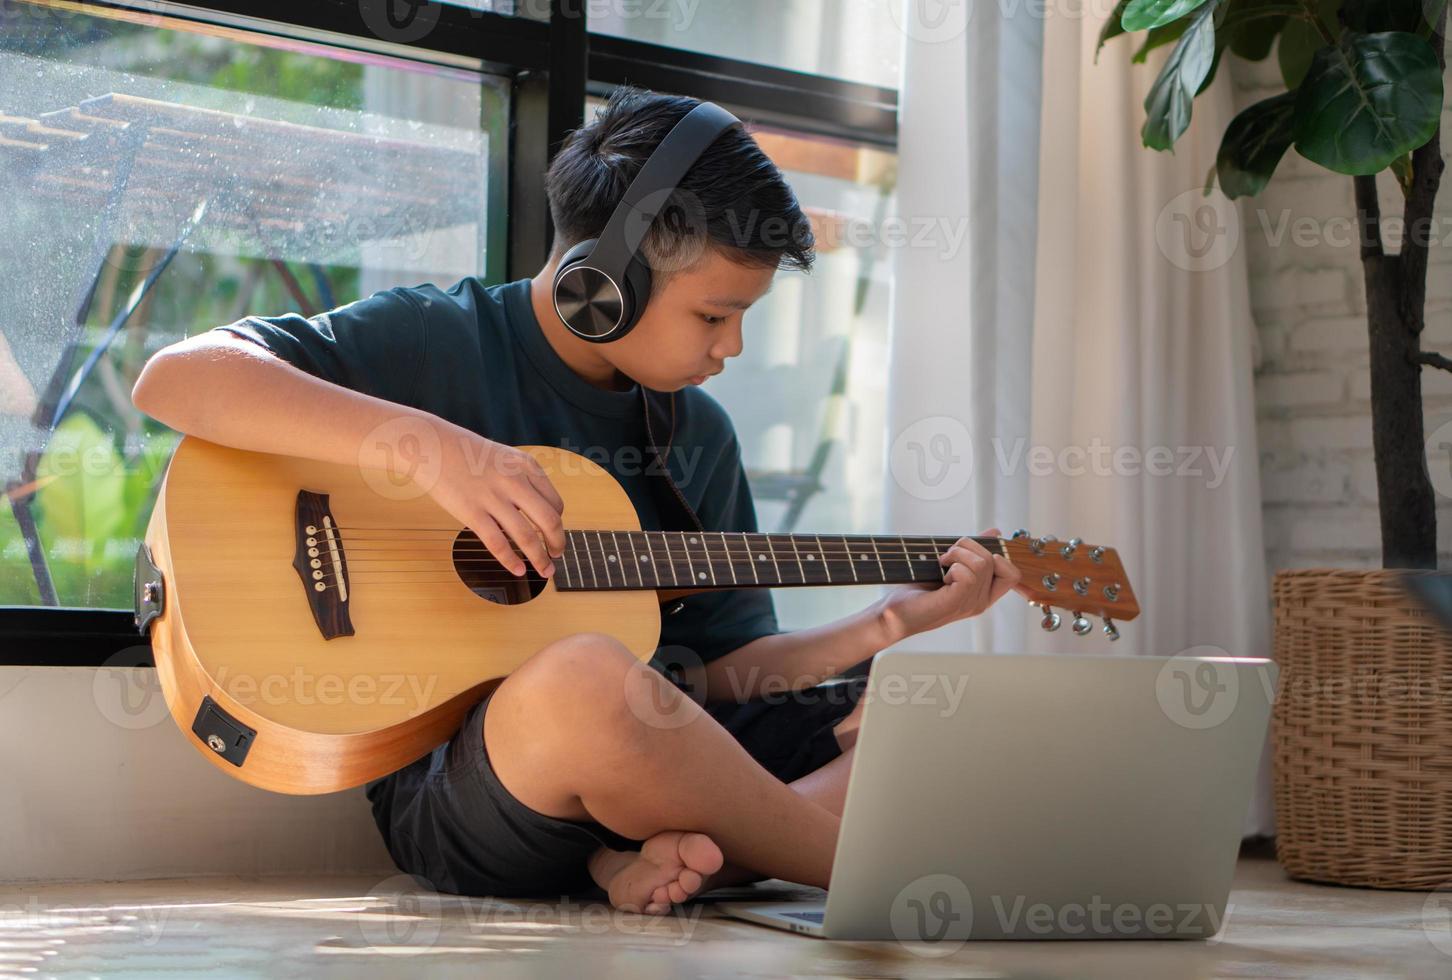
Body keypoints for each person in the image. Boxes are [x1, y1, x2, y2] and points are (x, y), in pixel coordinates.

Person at [131, 86, 1022, 915]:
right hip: (468, 785)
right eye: (713, 316)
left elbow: (712, 684)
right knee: (586, 682)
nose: (734, 346)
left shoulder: (697, 437)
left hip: (648, 753)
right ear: (603, 286)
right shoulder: (437, 340)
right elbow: (178, 378)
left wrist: (887, 626)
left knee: (916, 710)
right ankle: (866, 869)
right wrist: (434, 452)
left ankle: (665, 859)